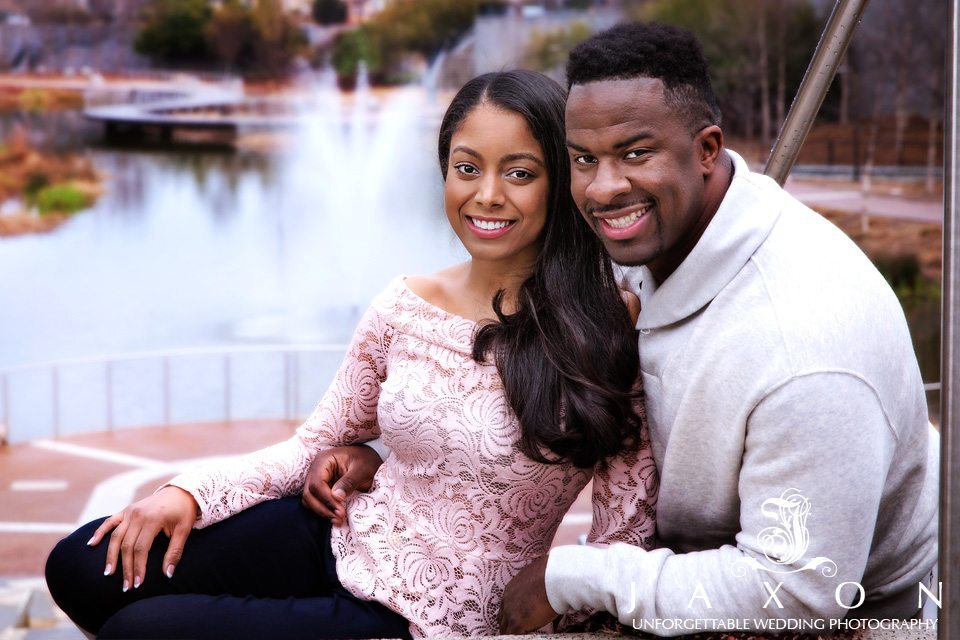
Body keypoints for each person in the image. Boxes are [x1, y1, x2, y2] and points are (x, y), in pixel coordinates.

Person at [323, 21, 939, 634]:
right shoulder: (657, 242)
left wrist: (575, 576)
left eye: (635, 154)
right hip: (692, 571)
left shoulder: (803, 344)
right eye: (584, 160)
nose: (603, 188)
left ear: (706, 150)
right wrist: (399, 470)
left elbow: (804, 592)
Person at [44, 69, 657, 639]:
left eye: (520, 173)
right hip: (342, 534)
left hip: (425, 615)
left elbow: (624, 529)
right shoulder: (404, 304)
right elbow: (315, 444)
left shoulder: (604, 330)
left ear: (561, 180)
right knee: (80, 567)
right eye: (466, 168)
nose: (487, 195)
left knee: (140, 632)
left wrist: (564, 612)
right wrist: (189, 494)